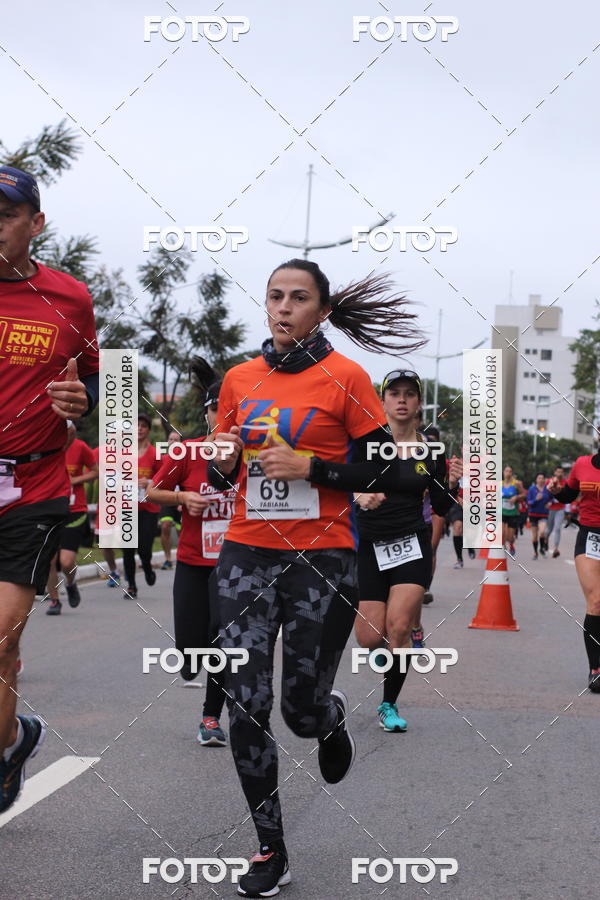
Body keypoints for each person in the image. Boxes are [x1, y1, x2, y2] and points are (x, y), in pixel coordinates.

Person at [208, 259, 425, 897]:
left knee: (297, 711)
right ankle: (270, 848)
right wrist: (223, 459)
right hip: (246, 555)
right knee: (246, 703)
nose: (283, 307)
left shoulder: (347, 378)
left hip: (321, 561)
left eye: (298, 298)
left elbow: (393, 474)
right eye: (274, 295)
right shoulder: (240, 378)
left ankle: (327, 718)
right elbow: (222, 470)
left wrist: (314, 469)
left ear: (322, 311)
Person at [0, 165, 99, 812]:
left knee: (2, 639)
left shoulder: (70, 298)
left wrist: (81, 399)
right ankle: (15, 741)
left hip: (33, 484)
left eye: (5, 214)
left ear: (35, 223)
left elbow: (99, 380)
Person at [351, 371, 461, 732]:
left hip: (411, 545)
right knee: (370, 636)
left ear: (418, 404)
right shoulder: (365, 444)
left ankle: (389, 704)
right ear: (383, 402)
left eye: (409, 394)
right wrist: (359, 495)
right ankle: (387, 654)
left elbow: (441, 505)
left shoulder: (431, 452)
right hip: (371, 546)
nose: (402, 399)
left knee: (399, 626)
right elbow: (343, 482)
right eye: (394, 393)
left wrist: (453, 483)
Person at [148, 370, 236, 746]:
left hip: (234, 566)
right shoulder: (187, 451)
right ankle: (190, 657)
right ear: (206, 414)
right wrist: (183, 498)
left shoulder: (251, 456)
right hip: (191, 561)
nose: (222, 416)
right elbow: (152, 491)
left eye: (231, 410)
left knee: (222, 639)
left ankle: (210, 717)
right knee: (189, 647)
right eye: (216, 409)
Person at [548, 445, 600, 691]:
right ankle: (596, 669)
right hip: (590, 536)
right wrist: (557, 491)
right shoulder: (582, 464)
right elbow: (568, 495)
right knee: (596, 602)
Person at [46, 429, 97, 615]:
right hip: (50, 510)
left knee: (66, 562)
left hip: (75, 510)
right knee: (49, 560)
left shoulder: (80, 447)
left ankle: (70, 583)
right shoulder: (45, 445)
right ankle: (54, 601)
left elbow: (95, 472)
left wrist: (74, 480)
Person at [122, 413, 161, 599]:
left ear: (148, 430)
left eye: (143, 426)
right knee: (127, 549)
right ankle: (131, 586)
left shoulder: (155, 454)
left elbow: (164, 479)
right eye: (136, 425)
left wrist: (149, 482)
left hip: (148, 509)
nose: (139, 429)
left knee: (144, 549)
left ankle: (147, 566)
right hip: (127, 507)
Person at [158, 430, 182, 571]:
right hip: (167, 498)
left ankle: (182, 556)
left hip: (181, 499)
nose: (172, 442)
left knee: (181, 531)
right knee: (165, 526)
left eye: (176, 440)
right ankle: (168, 559)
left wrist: (182, 500)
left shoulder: (185, 458)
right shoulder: (162, 459)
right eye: (170, 439)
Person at [527, 473, 552, 559]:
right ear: (536, 480)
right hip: (533, 514)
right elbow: (528, 502)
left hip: (543, 514)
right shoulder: (532, 489)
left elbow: (552, 498)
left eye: (542, 478)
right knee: (534, 536)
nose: (541, 480)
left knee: (542, 532)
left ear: (544, 480)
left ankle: (541, 548)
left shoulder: (547, 489)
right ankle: (535, 552)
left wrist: (550, 503)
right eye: (539, 478)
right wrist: (535, 500)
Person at [502, 465, 526, 555]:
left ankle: (511, 544)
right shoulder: (499, 484)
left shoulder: (516, 484)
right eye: (506, 471)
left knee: (510, 536)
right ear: (503, 472)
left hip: (512, 513)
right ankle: (503, 548)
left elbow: (524, 494)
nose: (508, 473)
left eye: (510, 471)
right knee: (502, 532)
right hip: (502, 512)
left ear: (512, 473)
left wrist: (516, 497)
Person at [545, 466, 567, 558]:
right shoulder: (549, 481)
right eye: (558, 472)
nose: (559, 474)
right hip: (550, 509)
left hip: (560, 508)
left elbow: (567, 494)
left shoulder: (565, 482)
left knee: (557, 528)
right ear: (555, 472)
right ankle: (545, 540)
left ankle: (555, 548)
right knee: (549, 529)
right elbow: (545, 493)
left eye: (561, 472)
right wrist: (548, 502)